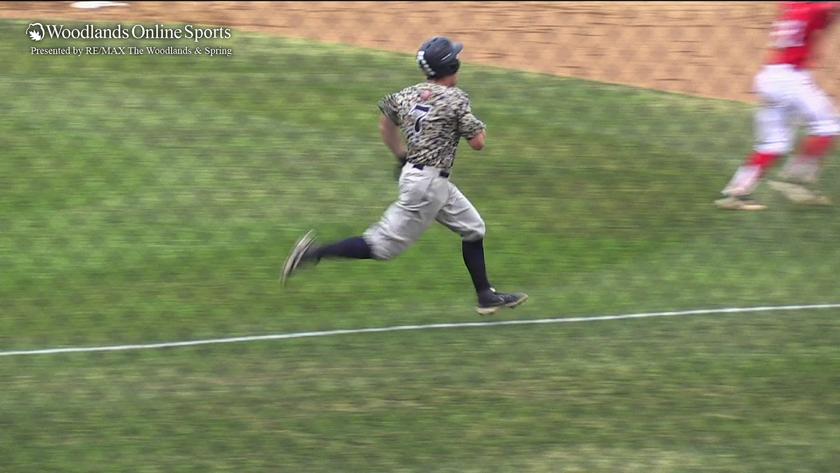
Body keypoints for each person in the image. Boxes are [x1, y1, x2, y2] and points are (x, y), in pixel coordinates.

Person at [281, 37, 528, 316]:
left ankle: (485, 296)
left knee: (473, 228)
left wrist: (401, 155)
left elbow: (385, 122)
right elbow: (478, 143)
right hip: (427, 187)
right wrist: (470, 122)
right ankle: (313, 254)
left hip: (425, 178)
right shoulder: (456, 99)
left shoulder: (408, 94)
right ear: (452, 65)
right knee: (382, 246)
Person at [716, 1, 840, 210]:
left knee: (774, 143)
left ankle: (736, 193)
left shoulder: (792, 5)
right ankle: (796, 180)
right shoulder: (815, 8)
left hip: (769, 77)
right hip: (791, 79)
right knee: (829, 126)